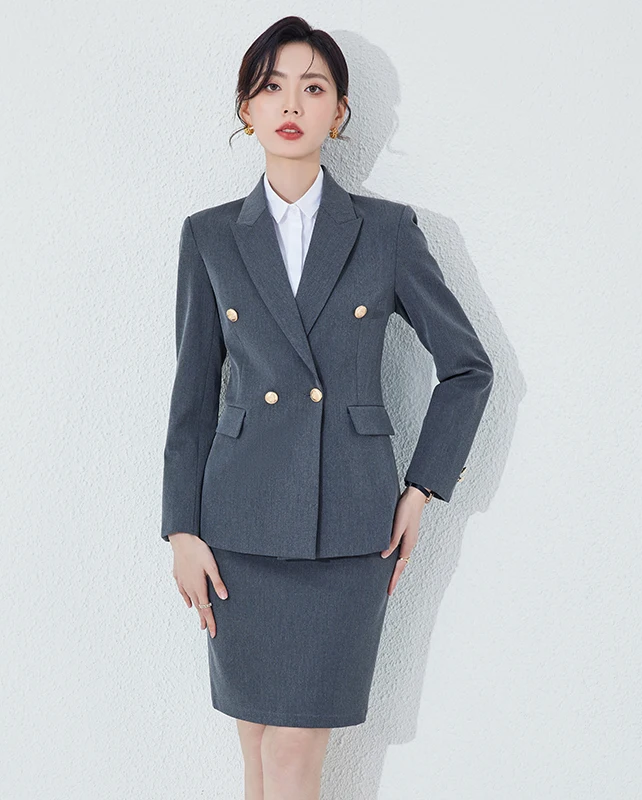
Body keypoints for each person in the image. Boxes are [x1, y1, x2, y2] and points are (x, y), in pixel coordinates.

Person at [161, 15, 494, 800]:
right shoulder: (209, 236)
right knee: (255, 750)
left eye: (312, 88)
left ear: (339, 112)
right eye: (271, 86)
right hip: (237, 528)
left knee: (292, 755)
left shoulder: (386, 232)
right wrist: (181, 529)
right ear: (246, 108)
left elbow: (468, 368)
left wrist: (422, 488)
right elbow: (192, 393)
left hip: (348, 525)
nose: (291, 104)